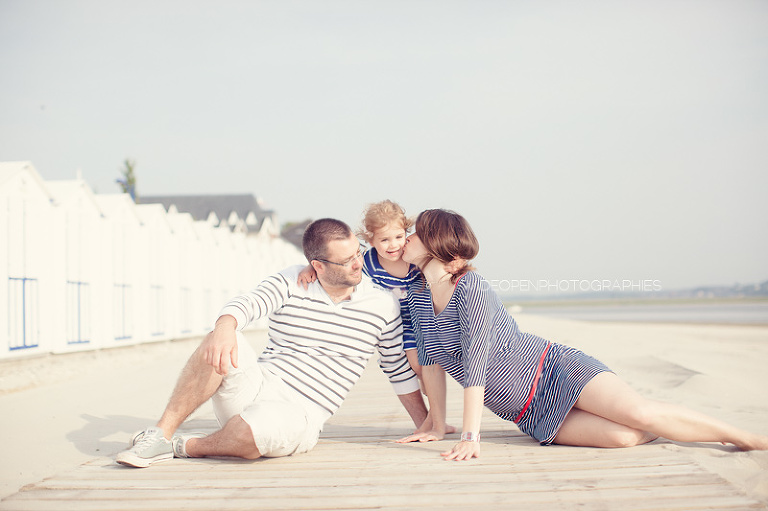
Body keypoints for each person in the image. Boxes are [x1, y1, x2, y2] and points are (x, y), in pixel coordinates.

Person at [396, 209, 768, 461]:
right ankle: (667, 422)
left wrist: (470, 437)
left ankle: (741, 436)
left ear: (436, 243)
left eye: (415, 232)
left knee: (637, 412)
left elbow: (475, 364)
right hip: (528, 410)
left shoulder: (470, 287)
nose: (406, 238)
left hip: (553, 368)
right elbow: (431, 362)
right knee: (624, 436)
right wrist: (435, 426)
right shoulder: (416, 294)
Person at [116, 218, 426, 468]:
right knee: (224, 336)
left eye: (358, 253)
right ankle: (159, 435)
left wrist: (425, 424)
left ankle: (186, 446)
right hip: (257, 385)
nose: (358, 264)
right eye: (346, 261)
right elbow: (249, 302)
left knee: (257, 433)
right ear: (318, 266)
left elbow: (396, 369)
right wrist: (224, 326)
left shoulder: (382, 304)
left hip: (302, 411)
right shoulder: (294, 280)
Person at [299, 200, 423, 376]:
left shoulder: (412, 257)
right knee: (416, 365)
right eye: (384, 240)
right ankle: (426, 387)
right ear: (371, 240)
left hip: (422, 318)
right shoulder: (368, 262)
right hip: (395, 325)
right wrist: (310, 267)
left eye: (398, 237)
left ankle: (431, 388)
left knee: (431, 363)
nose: (393, 245)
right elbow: (337, 265)